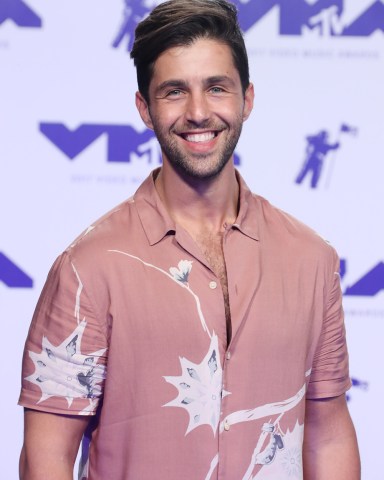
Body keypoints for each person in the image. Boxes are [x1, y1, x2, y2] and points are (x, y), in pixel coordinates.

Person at [18, 1, 360, 479]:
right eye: (174, 92)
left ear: (247, 98)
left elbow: (327, 433)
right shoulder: (88, 268)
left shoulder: (312, 259)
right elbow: (46, 455)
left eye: (217, 88)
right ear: (144, 108)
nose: (199, 112)